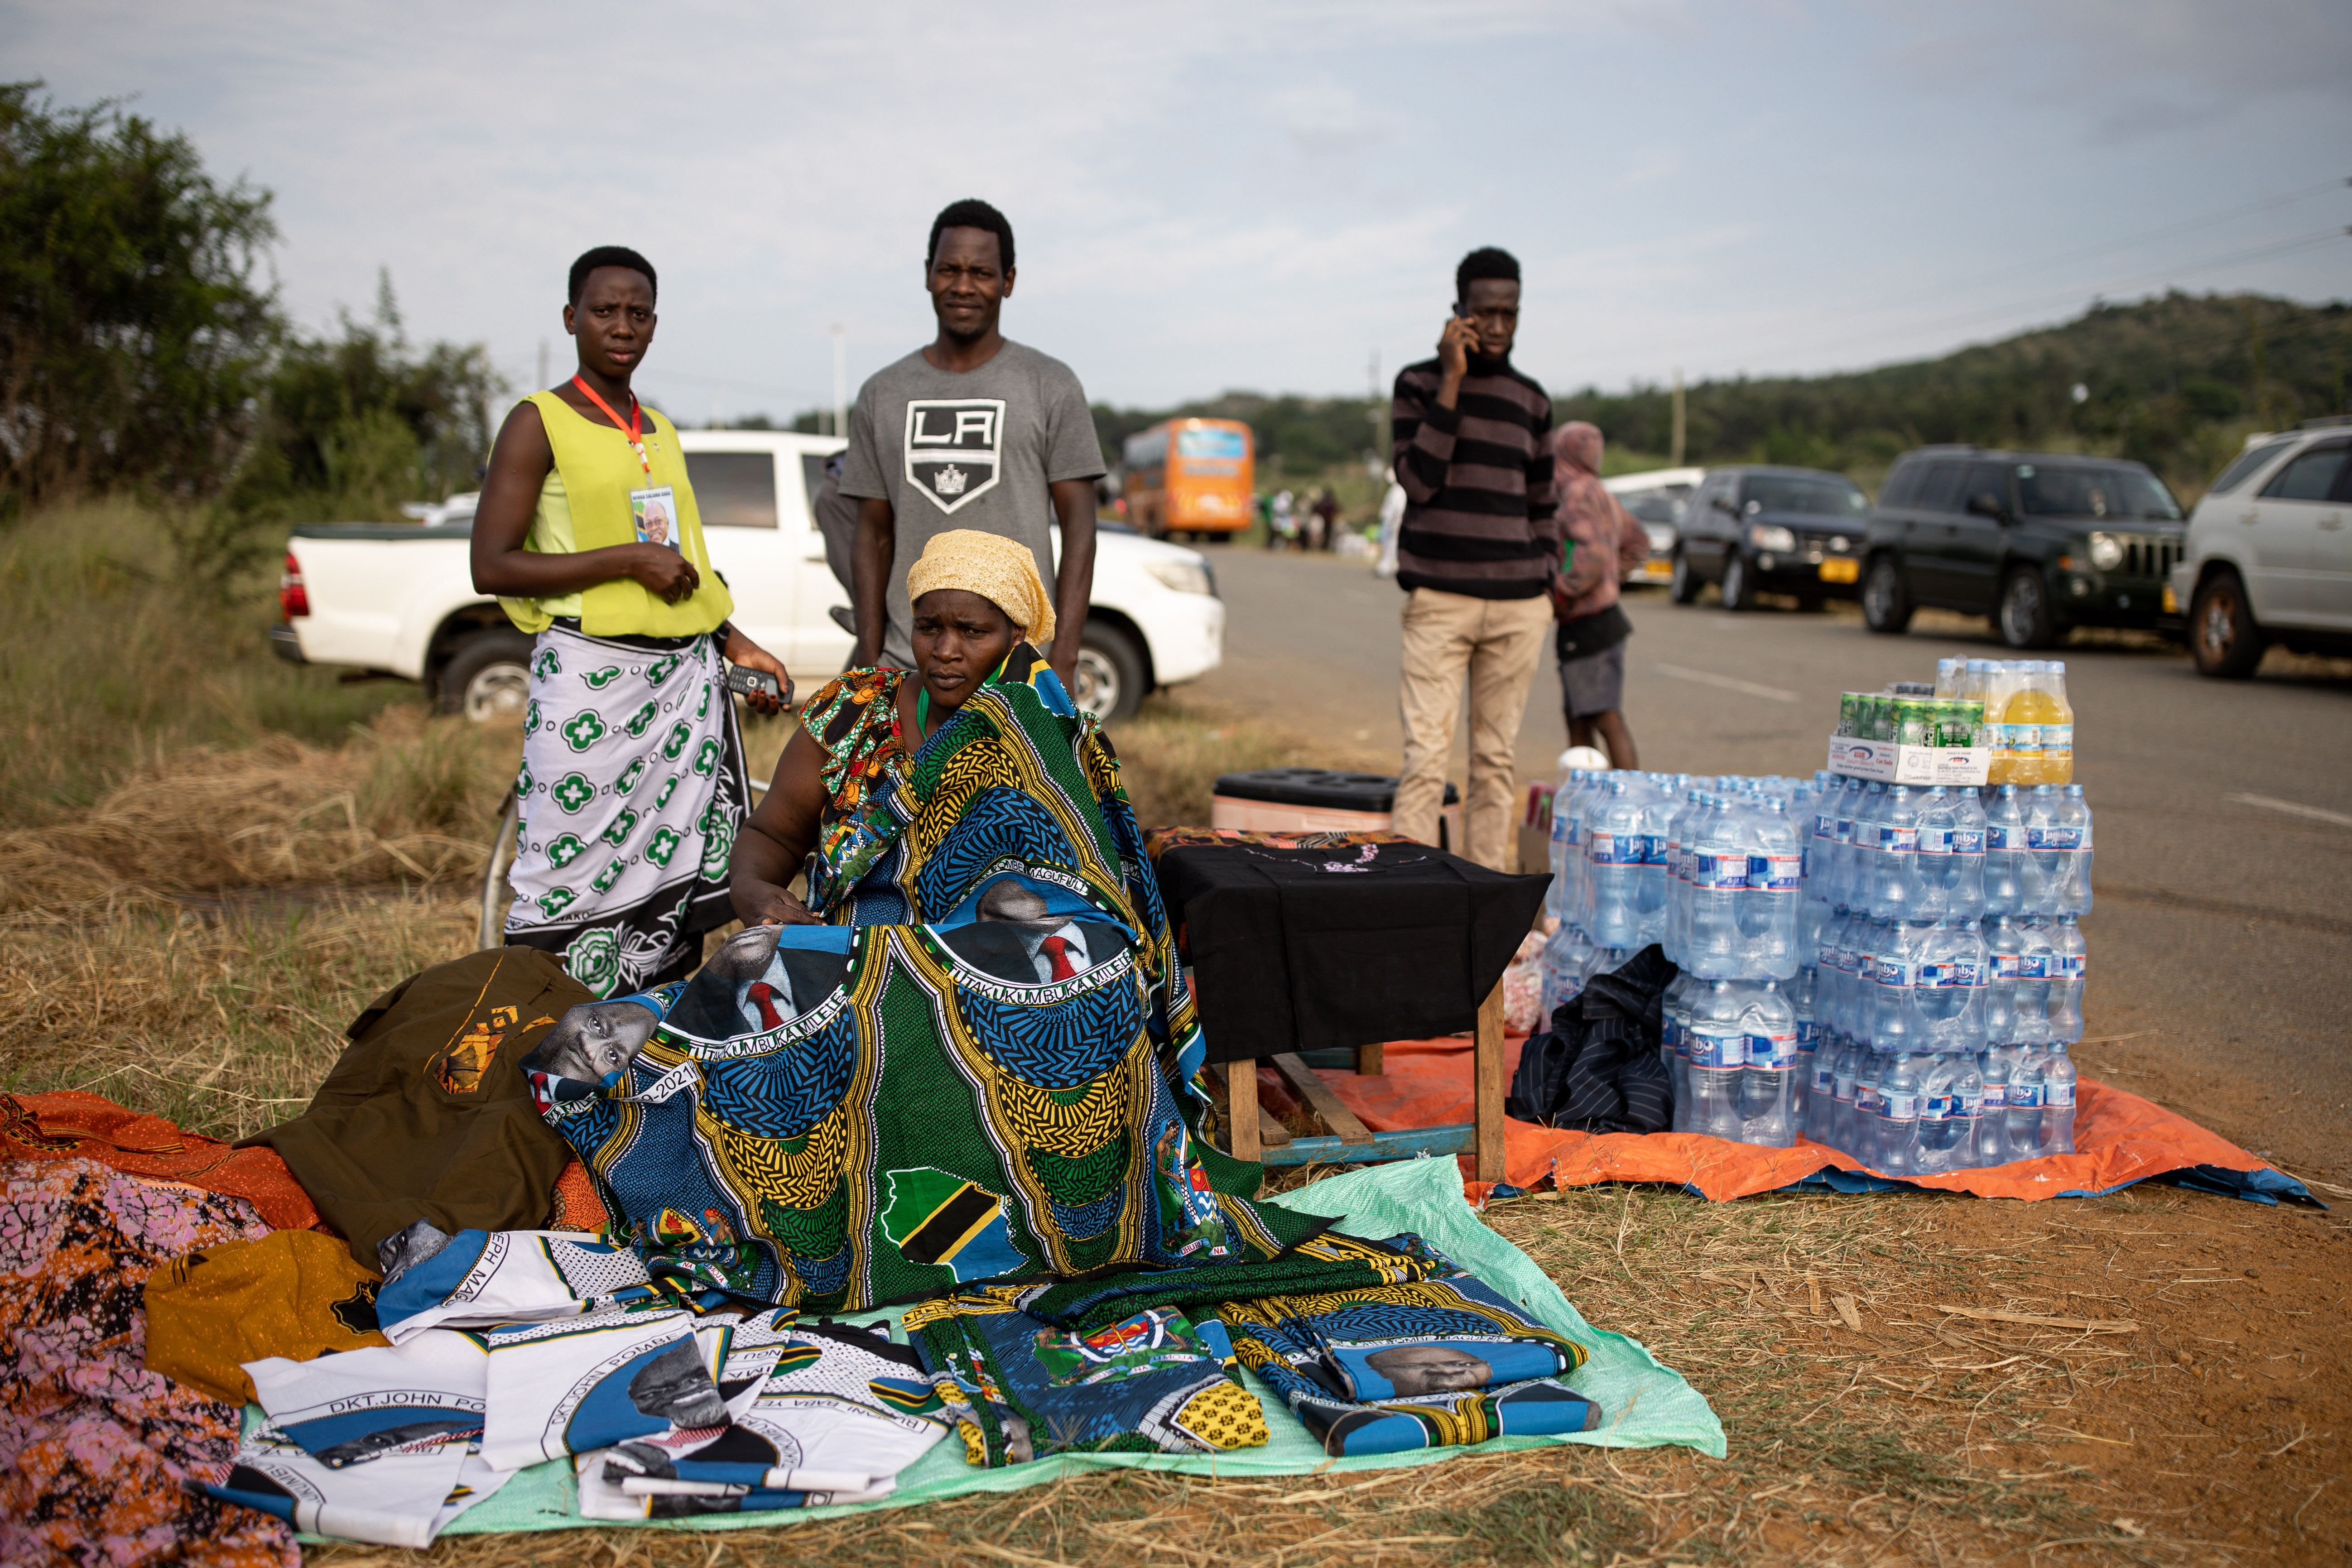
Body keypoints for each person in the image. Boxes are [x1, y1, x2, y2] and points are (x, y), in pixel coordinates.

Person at [471, 246, 790, 997]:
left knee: (669, 890)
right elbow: (493, 564)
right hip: (590, 678)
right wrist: (621, 560)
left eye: (638, 313)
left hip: (679, 688)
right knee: (567, 872)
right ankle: (544, 1035)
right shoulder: (536, 422)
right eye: (605, 310)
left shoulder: (660, 429)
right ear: (571, 318)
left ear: (654, 323)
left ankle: (644, 1050)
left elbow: (685, 562)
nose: (622, 326)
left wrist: (732, 636)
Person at [839, 199, 1102, 688]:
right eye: (949, 270)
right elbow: (871, 535)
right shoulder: (882, 393)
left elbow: (1080, 530)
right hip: (910, 662)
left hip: (1020, 669)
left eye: (981, 272)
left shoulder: (1050, 385)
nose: (963, 286)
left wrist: (1064, 657)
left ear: (1008, 281)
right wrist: (872, 656)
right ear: (927, 275)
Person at [1389, 247, 1563, 872]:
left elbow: (1546, 504)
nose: (1496, 326)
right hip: (1440, 601)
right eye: (1483, 312)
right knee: (1425, 762)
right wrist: (1453, 380)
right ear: (1458, 312)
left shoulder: (1532, 401)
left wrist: (1545, 578)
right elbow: (1420, 480)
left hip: (1520, 605)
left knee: (1496, 763)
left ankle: (1487, 904)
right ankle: (1410, 898)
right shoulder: (1417, 383)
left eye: (1508, 313)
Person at [1549, 422, 1647, 769]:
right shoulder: (1600, 492)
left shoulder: (1575, 494)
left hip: (1587, 621)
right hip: (1602, 618)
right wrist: (1614, 578)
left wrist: (1562, 592)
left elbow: (1590, 555)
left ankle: (1625, 795)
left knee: (1603, 716)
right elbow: (1637, 541)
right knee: (1579, 715)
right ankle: (1589, 800)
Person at [1374, 475, 1406, 578]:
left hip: (1393, 522)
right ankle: (1389, 566)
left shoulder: (1399, 491)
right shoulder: (1395, 490)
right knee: (1388, 544)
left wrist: (1392, 522)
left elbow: (1397, 509)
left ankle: (1388, 566)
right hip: (1390, 522)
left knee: (1392, 545)